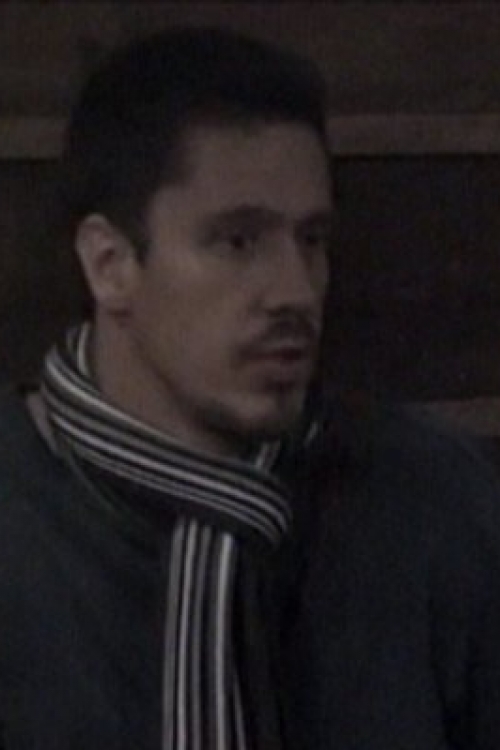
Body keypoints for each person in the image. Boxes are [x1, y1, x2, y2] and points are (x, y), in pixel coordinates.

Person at [0, 24, 499, 750]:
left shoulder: (430, 503)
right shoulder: (19, 524)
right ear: (110, 265)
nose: (295, 291)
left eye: (312, 240)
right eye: (238, 242)